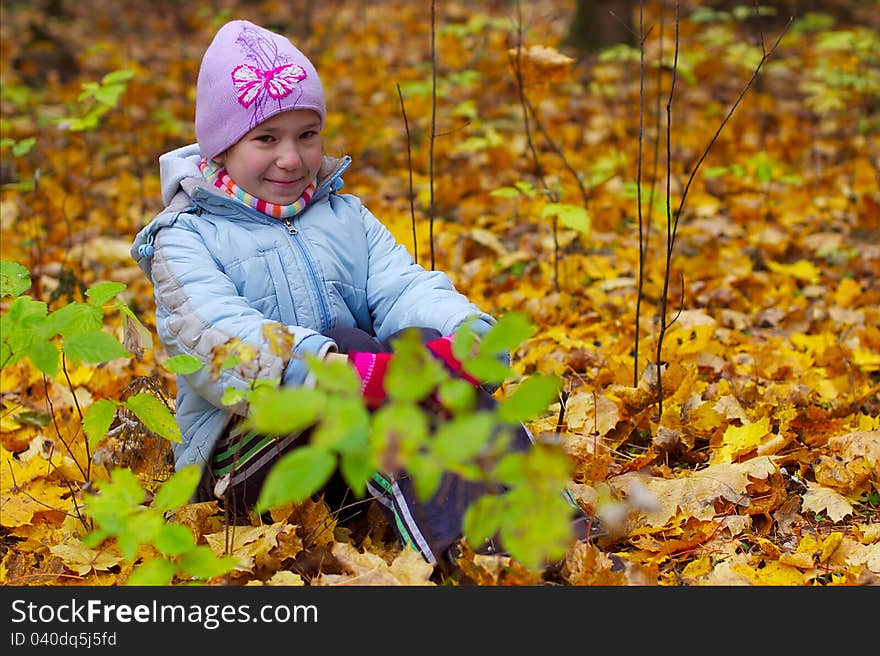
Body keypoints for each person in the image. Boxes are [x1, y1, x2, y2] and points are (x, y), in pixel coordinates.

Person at [131, 19, 598, 570]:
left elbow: (402, 285)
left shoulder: (342, 215)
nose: (291, 158)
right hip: (241, 452)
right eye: (266, 139)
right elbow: (218, 339)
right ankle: (479, 562)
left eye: (307, 135)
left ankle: (554, 535)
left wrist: (462, 332)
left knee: (423, 353)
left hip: (349, 430)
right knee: (358, 348)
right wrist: (339, 370)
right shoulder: (186, 236)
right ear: (221, 147)